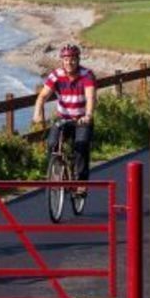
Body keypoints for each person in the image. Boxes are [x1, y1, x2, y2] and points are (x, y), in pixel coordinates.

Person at [32, 44, 97, 192]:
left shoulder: (87, 75)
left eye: (73, 59)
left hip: (81, 120)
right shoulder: (56, 75)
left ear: (78, 60)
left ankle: (81, 182)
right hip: (63, 119)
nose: (69, 62)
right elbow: (42, 96)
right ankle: (55, 175)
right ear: (62, 60)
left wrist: (88, 115)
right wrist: (37, 113)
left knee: (81, 146)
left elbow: (90, 97)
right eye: (66, 59)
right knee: (51, 143)